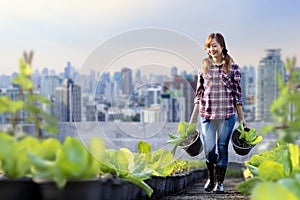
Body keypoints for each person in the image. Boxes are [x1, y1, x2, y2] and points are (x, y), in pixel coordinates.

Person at [189, 32, 247, 194]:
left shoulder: (233, 68)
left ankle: (219, 183)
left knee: (222, 148)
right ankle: (211, 178)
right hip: (207, 115)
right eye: (209, 46)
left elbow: (237, 95)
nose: (211, 49)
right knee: (209, 149)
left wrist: (242, 119)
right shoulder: (204, 67)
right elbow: (199, 95)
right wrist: (192, 121)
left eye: (215, 45)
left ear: (222, 47)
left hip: (226, 115)